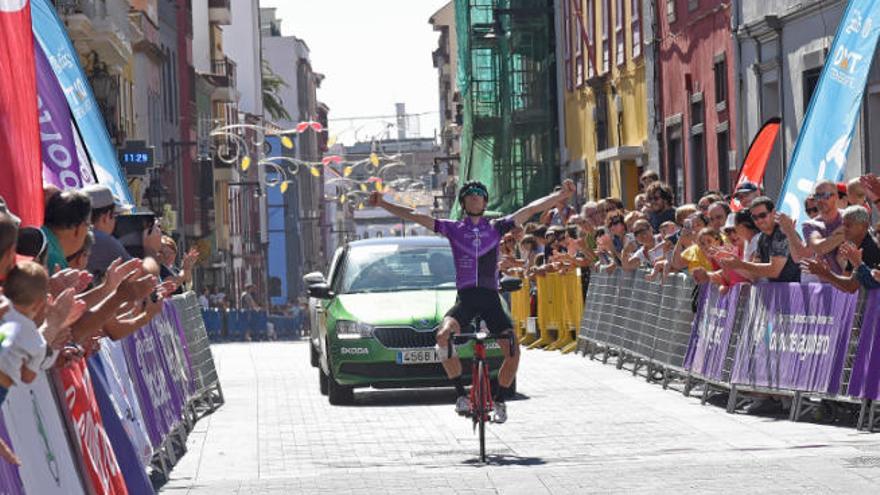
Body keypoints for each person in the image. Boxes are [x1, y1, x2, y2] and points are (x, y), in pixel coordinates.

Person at [369, 179, 576, 423]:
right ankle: (461, 396)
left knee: (513, 350)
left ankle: (499, 400)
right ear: (464, 202)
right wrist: (383, 204)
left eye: (480, 194)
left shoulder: (497, 227)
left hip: (490, 299)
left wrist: (560, 195)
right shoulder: (453, 228)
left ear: (485, 201)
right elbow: (415, 216)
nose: (475, 197)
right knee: (442, 336)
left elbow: (530, 210)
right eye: (470, 194)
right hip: (466, 299)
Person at [716, 196, 801, 283]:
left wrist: (741, 264)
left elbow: (774, 271)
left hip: (796, 291)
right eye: (755, 217)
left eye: (763, 215)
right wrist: (732, 263)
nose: (759, 220)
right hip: (781, 292)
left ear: (773, 213)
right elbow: (754, 275)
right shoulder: (762, 237)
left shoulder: (781, 232)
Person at [83, 185, 130, 281]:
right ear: (106, 216)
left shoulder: (72, 235)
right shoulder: (102, 240)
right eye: (115, 216)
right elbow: (142, 275)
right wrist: (151, 249)